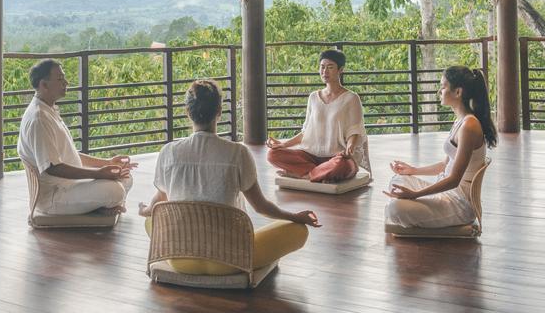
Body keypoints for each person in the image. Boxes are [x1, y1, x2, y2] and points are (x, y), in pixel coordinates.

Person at [140, 79, 320, 274]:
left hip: (181, 258)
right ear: (219, 111)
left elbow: (160, 200)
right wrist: (295, 216)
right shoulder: (237, 153)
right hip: (231, 260)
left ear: (187, 112)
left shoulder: (168, 152)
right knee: (298, 230)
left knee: (151, 220)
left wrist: (146, 210)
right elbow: (261, 207)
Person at [17, 58, 135, 215]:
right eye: (60, 79)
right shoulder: (39, 119)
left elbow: (67, 155)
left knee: (125, 178)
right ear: (43, 85)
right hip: (55, 196)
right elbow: (52, 168)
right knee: (115, 190)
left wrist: (106, 163)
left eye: (64, 77)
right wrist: (98, 174)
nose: (66, 82)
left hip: (71, 186)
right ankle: (100, 207)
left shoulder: (48, 110)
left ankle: (99, 206)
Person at [384, 66, 496, 229]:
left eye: (443, 87)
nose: (439, 91)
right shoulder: (460, 120)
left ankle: (409, 207)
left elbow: (454, 180)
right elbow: (445, 165)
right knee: (398, 180)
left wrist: (415, 195)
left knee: (395, 209)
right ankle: (413, 205)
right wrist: (413, 170)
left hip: (458, 204)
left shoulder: (469, 126)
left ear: (458, 92)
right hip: (445, 193)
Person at [266, 49, 368, 183]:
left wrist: (350, 147)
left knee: (342, 165)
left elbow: (354, 131)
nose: (325, 71)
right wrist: (284, 145)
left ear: (340, 70)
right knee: (273, 155)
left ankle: (305, 174)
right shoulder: (313, 97)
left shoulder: (351, 98)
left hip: (337, 157)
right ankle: (318, 173)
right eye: (322, 67)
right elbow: (305, 132)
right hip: (310, 156)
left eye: (330, 67)